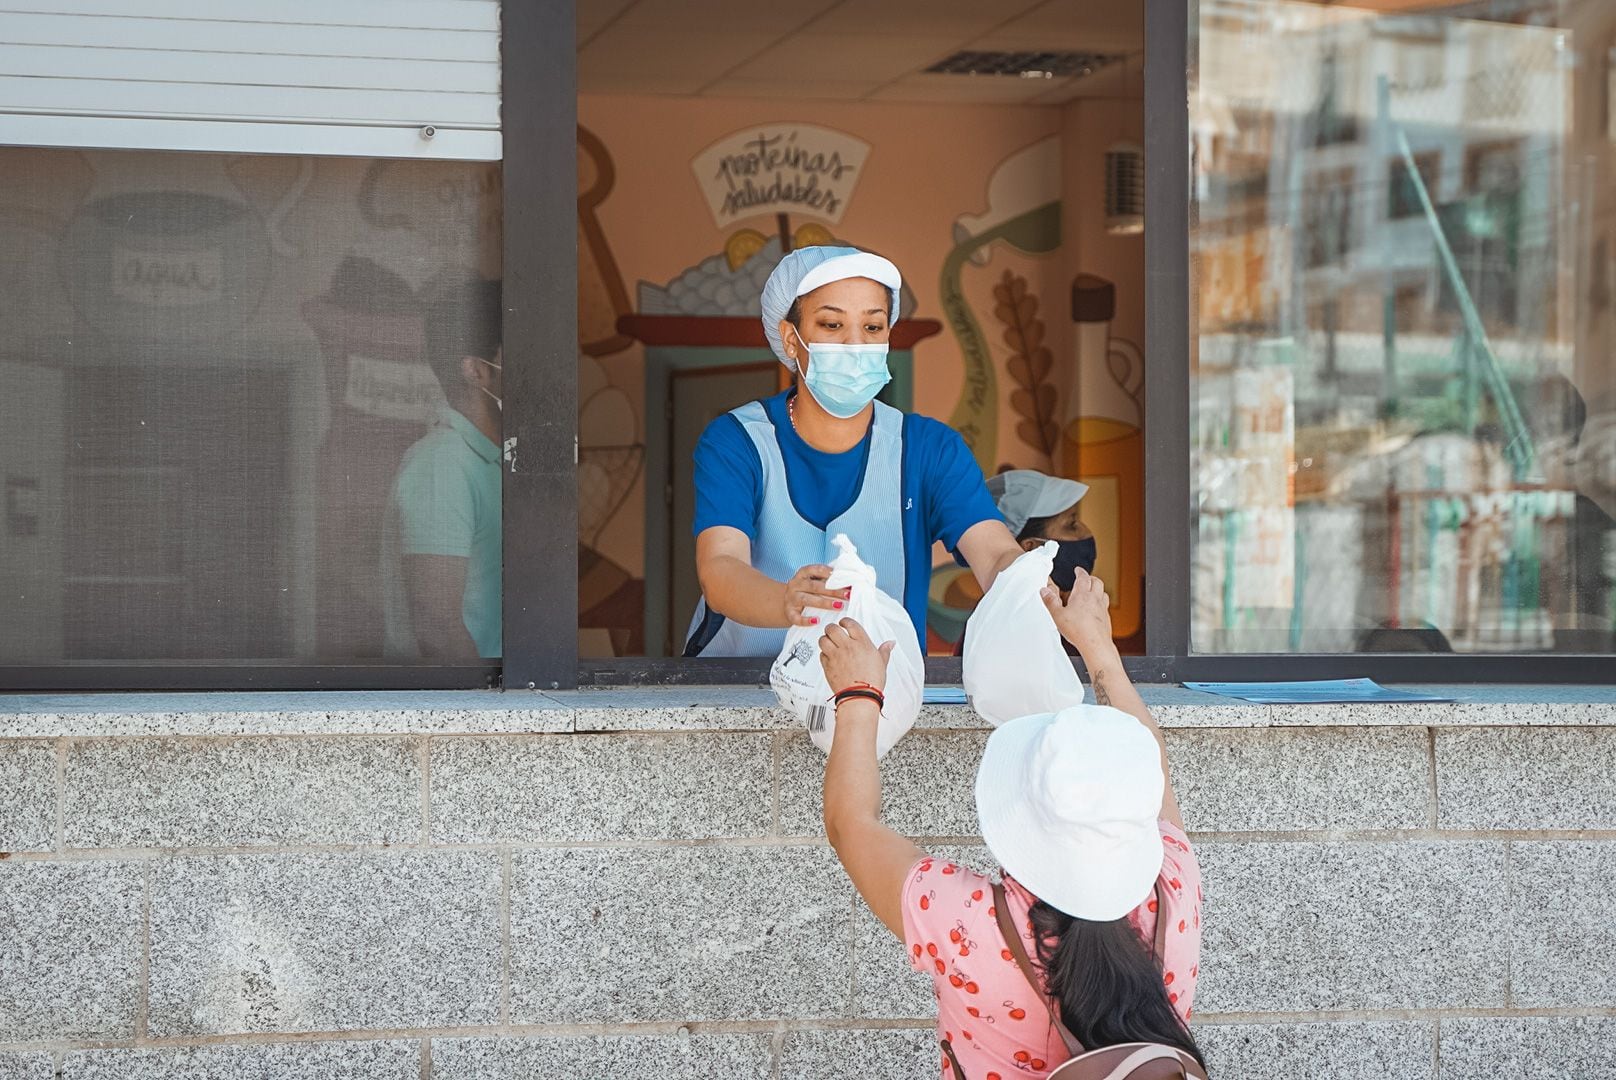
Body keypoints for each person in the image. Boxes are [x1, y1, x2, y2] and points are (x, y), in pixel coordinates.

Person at [818, 570, 1206, 1079]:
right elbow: (1151, 769)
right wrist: (1099, 649)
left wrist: (859, 694)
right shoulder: (1175, 882)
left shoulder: (964, 921)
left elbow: (852, 824)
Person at [686, 244, 1027, 657]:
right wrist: (787, 601)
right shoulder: (737, 441)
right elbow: (721, 567)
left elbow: (993, 554)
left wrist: (1027, 580)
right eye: (831, 325)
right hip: (736, 691)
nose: (855, 344)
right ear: (791, 339)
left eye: (872, 327)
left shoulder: (929, 451)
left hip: (880, 695)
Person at [380, 274, 503, 660]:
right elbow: (437, 625)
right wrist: (492, 715)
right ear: (475, 371)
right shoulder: (443, 464)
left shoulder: (494, 459)